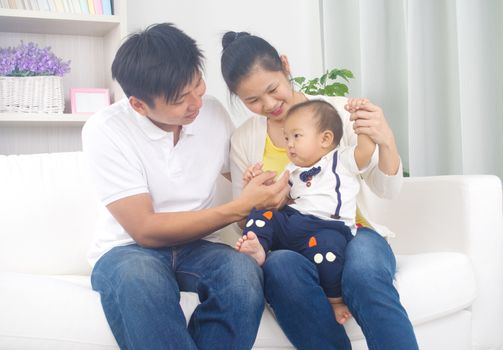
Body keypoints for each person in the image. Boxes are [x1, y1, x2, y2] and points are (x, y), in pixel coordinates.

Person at [81, 23, 290, 350]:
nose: (196, 103)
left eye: (198, 85)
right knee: (141, 282)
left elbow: (239, 172)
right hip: (128, 251)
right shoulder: (106, 130)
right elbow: (145, 230)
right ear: (139, 105)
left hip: (198, 246)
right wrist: (239, 206)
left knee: (242, 276)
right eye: (181, 99)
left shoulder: (213, 113)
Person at [220, 31, 419, 350]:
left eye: (273, 89)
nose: (269, 105)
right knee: (280, 266)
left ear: (285, 67)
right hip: (290, 241)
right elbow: (243, 223)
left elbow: (387, 189)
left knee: (365, 271)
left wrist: (386, 139)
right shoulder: (244, 140)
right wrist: (252, 197)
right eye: (252, 100)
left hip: (352, 231)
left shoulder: (337, 113)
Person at [236, 99, 375, 324]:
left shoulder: (342, 159)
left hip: (328, 228)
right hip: (295, 222)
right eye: (287, 137)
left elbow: (366, 150)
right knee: (265, 216)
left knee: (328, 252)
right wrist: (254, 183)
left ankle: (335, 299)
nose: (289, 144)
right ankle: (258, 247)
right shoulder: (292, 170)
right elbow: (276, 199)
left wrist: (360, 119)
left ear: (325, 139)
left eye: (296, 136)